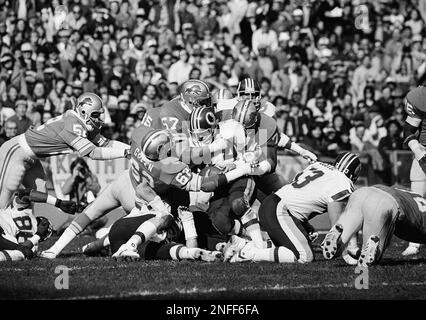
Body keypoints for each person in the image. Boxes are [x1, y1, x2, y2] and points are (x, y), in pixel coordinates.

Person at [224, 152, 361, 264]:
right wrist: (348, 250)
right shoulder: (342, 181)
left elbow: (301, 194)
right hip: (280, 211)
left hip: (273, 204)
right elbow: (337, 225)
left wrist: (304, 224)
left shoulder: (319, 166)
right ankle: (249, 253)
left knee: (292, 245)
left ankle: (241, 244)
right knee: (304, 256)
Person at [0, 92, 130, 210]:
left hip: (33, 157)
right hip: (16, 150)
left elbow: (106, 143)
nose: (98, 119)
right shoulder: (73, 124)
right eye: (95, 115)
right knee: (7, 191)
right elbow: (93, 153)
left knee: (40, 192)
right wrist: (125, 153)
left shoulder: (82, 123)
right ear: (83, 112)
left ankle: (14, 215)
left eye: (99, 115)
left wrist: (130, 149)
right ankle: (5, 217)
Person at [322, 184, 426, 267]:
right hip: (385, 201)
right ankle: (372, 249)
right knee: (372, 256)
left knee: (341, 240)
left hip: (363, 192)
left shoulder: (411, 194)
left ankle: (338, 237)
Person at [0, 189, 77, 262]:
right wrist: (58, 203)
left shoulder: (14, 210)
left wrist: (58, 203)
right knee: (22, 253)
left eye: (44, 224)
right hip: (12, 245)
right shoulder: (25, 212)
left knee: (22, 253)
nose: (43, 222)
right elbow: (26, 193)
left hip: (10, 245)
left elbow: (23, 250)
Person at [400, 86, 426, 256]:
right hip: (424, 152)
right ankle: (414, 242)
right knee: (418, 200)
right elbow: (408, 129)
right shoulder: (420, 96)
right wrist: (416, 148)